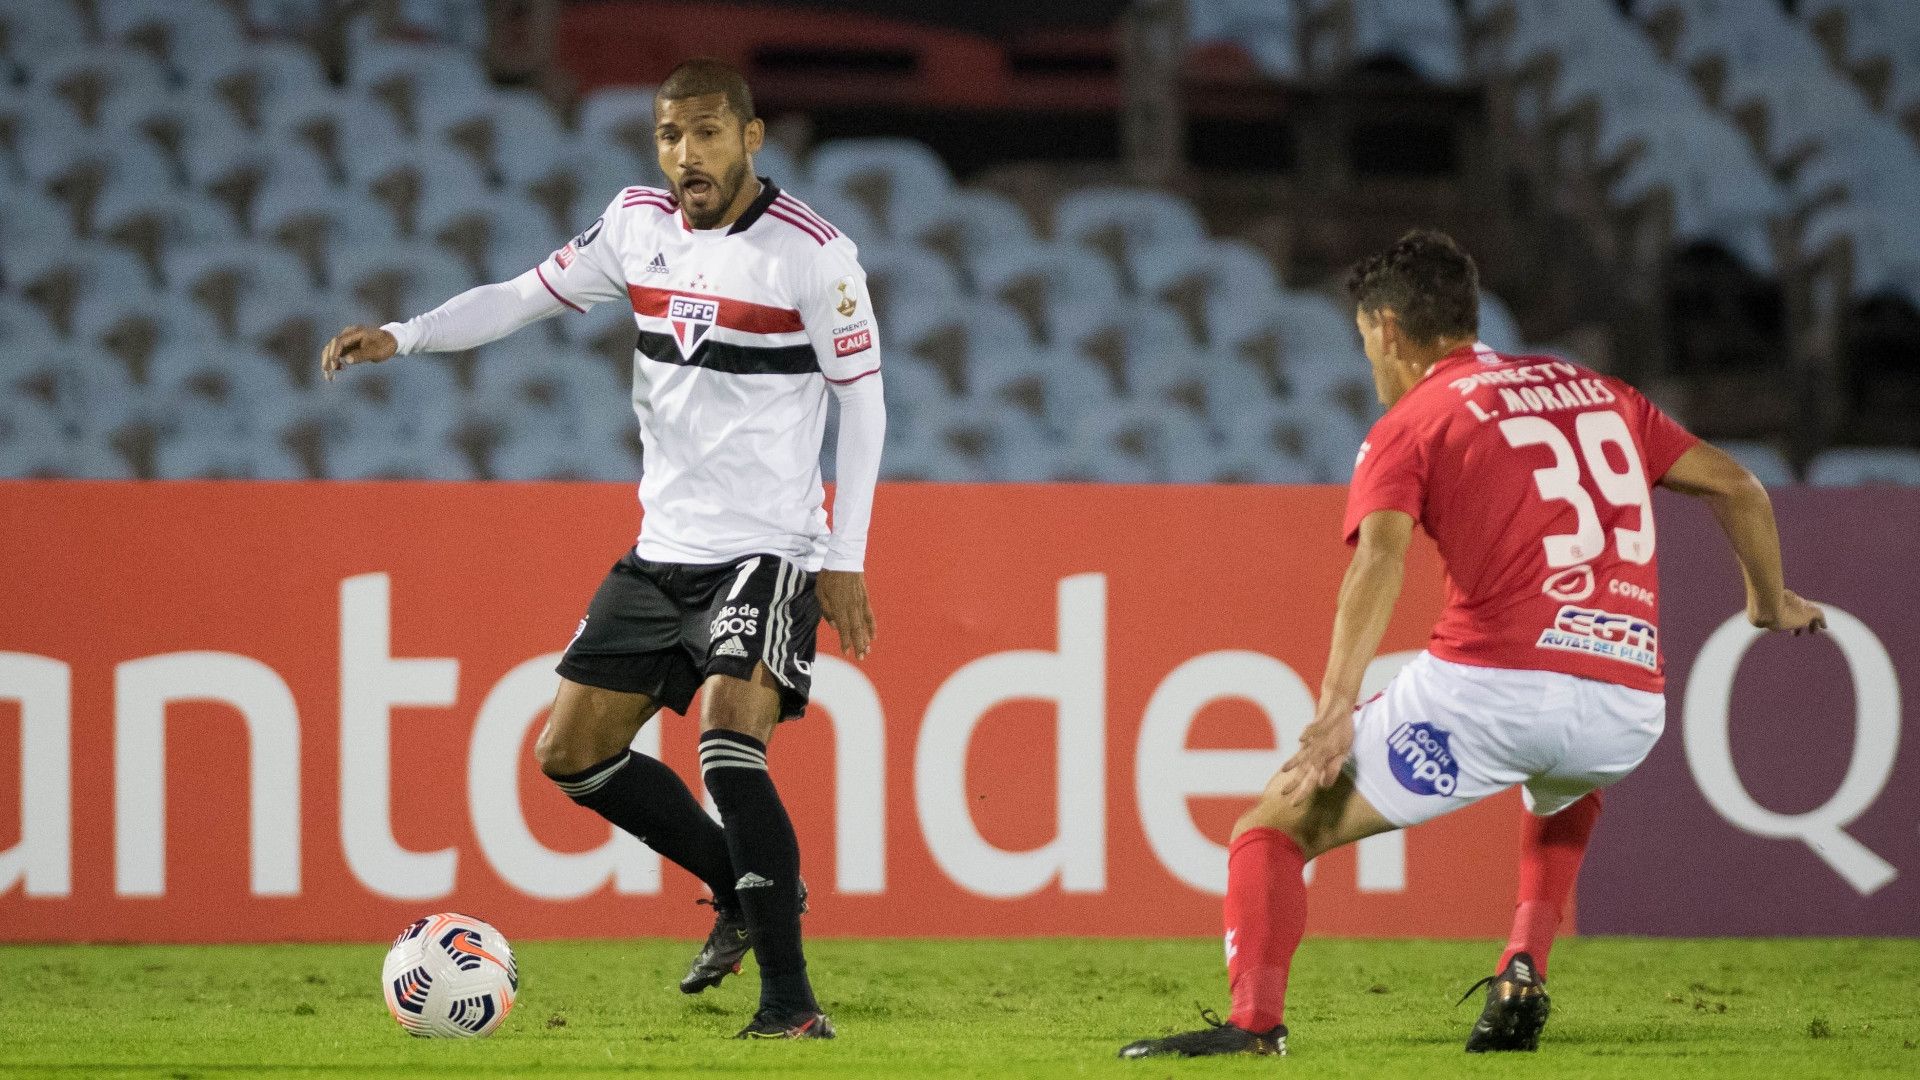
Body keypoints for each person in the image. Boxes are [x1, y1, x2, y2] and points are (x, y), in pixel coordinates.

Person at [1118, 230, 1824, 1059]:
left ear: (1385, 330)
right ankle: (1524, 959)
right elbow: (1739, 485)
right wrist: (1768, 603)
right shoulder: (1594, 388)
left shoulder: (1413, 422)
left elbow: (1380, 557)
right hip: (1629, 707)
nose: (1371, 368)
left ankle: (1253, 1025)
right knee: (1566, 785)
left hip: (1491, 695)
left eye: (1365, 346)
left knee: (1270, 829)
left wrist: (1337, 707)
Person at [320, 57, 884, 1041]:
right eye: (670, 134)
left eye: (707, 133)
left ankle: (792, 1007)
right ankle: (746, 897)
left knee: (727, 743)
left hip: (770, 547)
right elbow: (519, 296)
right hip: (662, 548)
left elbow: (864, 404)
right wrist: (403, 337)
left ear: (751, 139)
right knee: (570, 754)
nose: (685, 154)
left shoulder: (814, 254)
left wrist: (843, 552)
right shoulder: (636, 224)